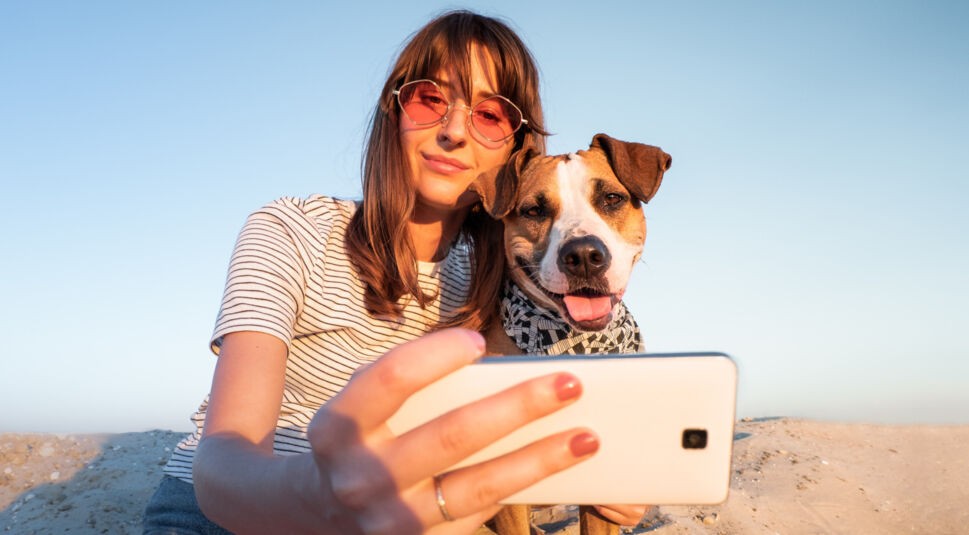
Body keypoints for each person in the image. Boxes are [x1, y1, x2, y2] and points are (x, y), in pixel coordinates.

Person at [143, 10, 647, 535]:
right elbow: (224, 462)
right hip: (229, 516)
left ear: (517, 144)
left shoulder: (517, 276)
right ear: (393, 109)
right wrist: (319, 495)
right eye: (430, 99)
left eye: (490, 113)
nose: (455, 131)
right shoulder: (293, 230)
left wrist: (619, 482)